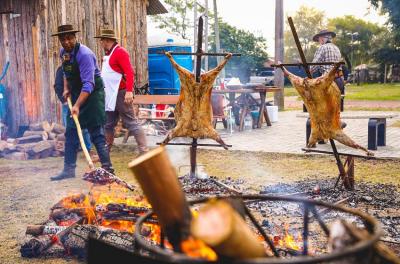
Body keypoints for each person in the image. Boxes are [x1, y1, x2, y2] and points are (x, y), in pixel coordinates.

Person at [51, 24, 114, 181]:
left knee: (96, 133)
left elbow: (89, 84)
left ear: (75, 37)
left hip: (92, 95)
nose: (66, 42)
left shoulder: (84, 54)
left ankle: (108, 170)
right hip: (77, 92)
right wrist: (66, 88)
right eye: (62, 39)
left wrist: (77, 106)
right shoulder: (63, 53)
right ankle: (68, 170)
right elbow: (66, 72)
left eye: (69, 38)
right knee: (71, 132)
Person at [94, 28, 148, 155]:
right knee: (108, 124)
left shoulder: (120, 52)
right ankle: (105, 152)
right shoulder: (108, 55)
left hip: (121, 94)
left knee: (131, 122)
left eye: (102, 40)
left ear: (107, 40)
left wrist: (129, 91)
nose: (101, 43)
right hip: (110, 95)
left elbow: (129, 72)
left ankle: (144, 152)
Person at [54, 66, 93, 154]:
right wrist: (63, 100)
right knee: (69, 127)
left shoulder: (79, 68)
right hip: (68, 104)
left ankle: (88, 148)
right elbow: (57, 86)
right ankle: (73, 148)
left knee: (84, 127)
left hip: (80, 102)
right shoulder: (61, 70)